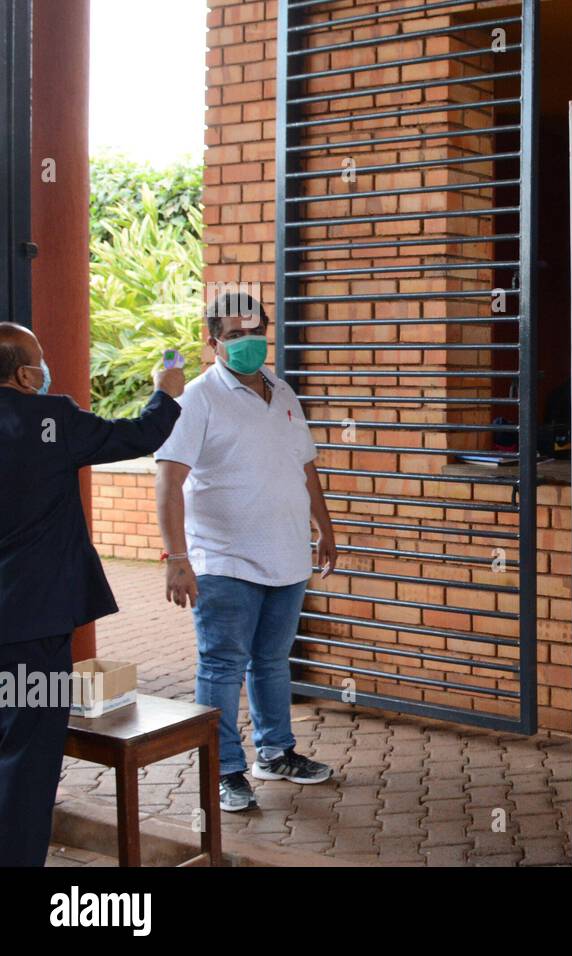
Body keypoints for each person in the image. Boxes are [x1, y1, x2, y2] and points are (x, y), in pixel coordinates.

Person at [0, 321, 184, 866]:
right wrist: (165, 392)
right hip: (30, 627)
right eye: (41, 357)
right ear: (27, 373)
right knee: (25, 756)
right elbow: (139, 435)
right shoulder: (48, 420)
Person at [155, 292, 336, 812]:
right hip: (223, 560)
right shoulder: (196, 398)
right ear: (212, 343)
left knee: (272, 662)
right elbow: (169, 479)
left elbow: (305, 467)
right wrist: (176, 558)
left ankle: (275, 752)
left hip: (286, 555)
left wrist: (324, 526)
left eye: (254, 331)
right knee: (221, 666)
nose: (248, 342)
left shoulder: (283, 394)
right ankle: (224, 769)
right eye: (234, 335)